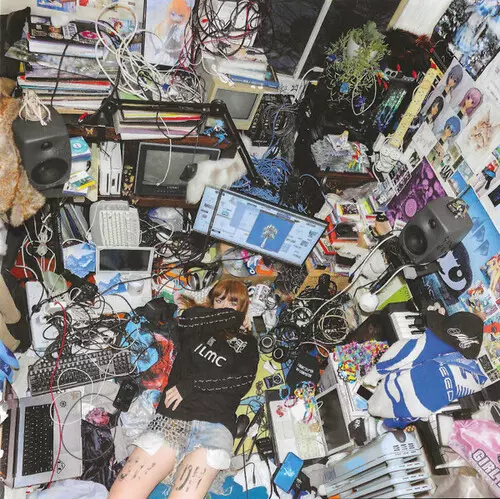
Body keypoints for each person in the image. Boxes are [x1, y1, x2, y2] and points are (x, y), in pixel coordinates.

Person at [109, 279, 259, 499]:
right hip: (172, 420)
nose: (225, 306)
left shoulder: (248, 344)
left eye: (233, 303)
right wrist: (232, 316)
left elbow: (241, 382)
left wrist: (193, 384)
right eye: (220, 300)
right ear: (211, 303)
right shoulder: (195, 324)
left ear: (243, 307)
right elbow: (188, 318)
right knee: (121, 495)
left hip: (215, 427)